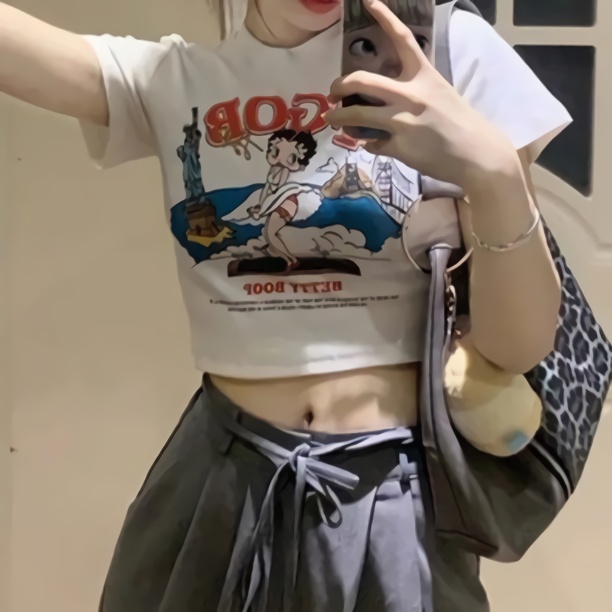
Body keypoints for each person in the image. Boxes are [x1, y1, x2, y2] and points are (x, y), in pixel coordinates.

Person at [0, 0, 572, 610]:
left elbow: (519, 346)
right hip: (217, 487)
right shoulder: (173, 79)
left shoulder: (449, 54)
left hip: (398, 497)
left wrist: (493, 171)